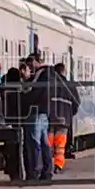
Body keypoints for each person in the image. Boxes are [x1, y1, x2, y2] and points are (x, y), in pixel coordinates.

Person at [24, 52, 56, 181]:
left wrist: (26, 81)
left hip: (36, 112)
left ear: (35, 61)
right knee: (44, 143)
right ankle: (47, 171)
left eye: (30, 64)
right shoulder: (49, 74)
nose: (29, 67)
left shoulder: (41, 75)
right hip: (43, 112)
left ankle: (35, 171)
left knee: (35, 143)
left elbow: (33, 92)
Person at [49, 63, 80, 173]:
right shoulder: (70, 85)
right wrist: (69, 114)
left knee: (48, 144)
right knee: (60, 146)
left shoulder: (49, 84)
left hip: (50, 119)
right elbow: (77, 102)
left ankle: (47, 166)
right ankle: (58, 165)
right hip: (64, 120)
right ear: (64, 72)